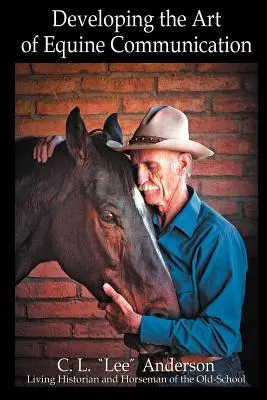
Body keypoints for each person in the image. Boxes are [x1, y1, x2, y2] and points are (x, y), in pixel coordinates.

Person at [33, 105, 249, 387]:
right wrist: (67, 151)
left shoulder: (217, 237)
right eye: (136, 167)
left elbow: (222, 337)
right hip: (150, 375)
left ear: (182, 165)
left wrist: (139, 326)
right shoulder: (141, 220)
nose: (140, 180)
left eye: (151, 167)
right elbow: (102, 169)